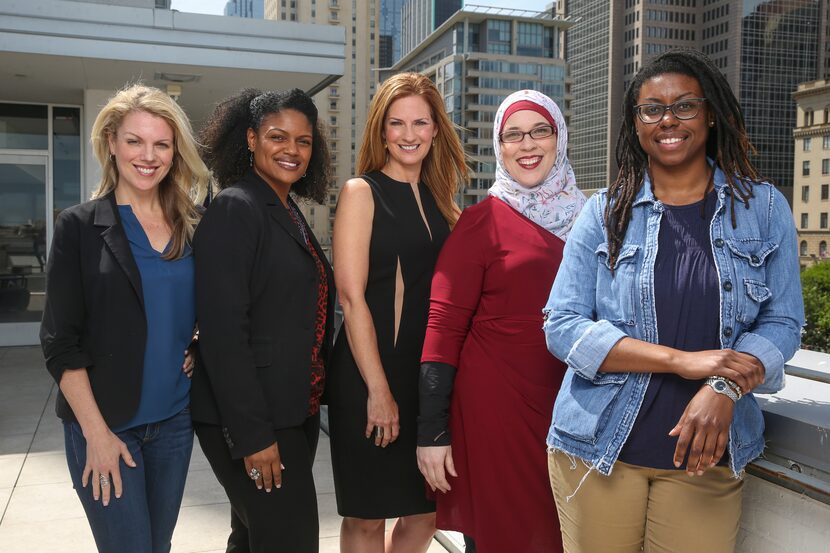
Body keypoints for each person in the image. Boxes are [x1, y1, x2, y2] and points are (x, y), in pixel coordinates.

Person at [543, 48, 804, 553]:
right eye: (652, 109)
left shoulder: (764, 209)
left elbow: (784, 322)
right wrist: (683, 363)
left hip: (706, 457)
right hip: (599, 449)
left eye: (684, 105)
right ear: (635, 124)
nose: (668, 120)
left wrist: (724, 387)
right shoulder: (602, 213)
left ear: (710, 114)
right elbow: (562, 324)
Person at [40, 84, 209, 553]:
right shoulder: (79, 226)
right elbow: (59, 341)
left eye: (161, 143)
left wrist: (197, 346)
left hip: (174, 424)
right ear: (111, 143)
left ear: (176, 152)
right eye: (135, 141)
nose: (148, 155)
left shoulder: (193, 225)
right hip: (105, 424)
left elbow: (214, 308)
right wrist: (96, 434)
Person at [415, 90, 585, 553]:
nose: (526, 145)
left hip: (574, 407)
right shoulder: (480, 221)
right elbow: (443, 330)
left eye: (539, 131)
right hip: (496, 411)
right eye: (513, 135)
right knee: (507, 539)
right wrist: (431, 434)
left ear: (559, 137)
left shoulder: (592, 218)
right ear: (499, 146)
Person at [327, 72, 469, 553]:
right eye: (397, 124)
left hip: (424, 383)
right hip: (370, 377)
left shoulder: (444, 204)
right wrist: (378, 390)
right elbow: (351, 297)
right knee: (367, 517)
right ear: (381, 131)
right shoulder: (360, 192)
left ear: (436, 129)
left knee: (426, 514)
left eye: (420, 123)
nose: (409, 135)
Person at [191, 88, 334, 553]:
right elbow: (223, 332)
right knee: (289, 542)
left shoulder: (287, 209)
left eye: (304, 141)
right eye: (278, 136)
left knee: (255, 537)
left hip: (294, 410)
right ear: (251, 139)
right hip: (255, 422)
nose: (291, 150)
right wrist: (253, 436)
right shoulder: (236, 207)